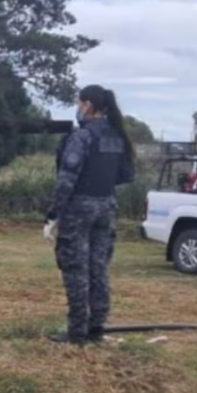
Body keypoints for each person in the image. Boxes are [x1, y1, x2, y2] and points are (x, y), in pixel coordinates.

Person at [45, 84, 136, 345]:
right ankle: (96, 326)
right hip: (106, 206)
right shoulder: (117, 137)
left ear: (87, 104)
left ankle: (76, 331)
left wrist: (52, 214)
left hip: (79, 209)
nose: (77, 108)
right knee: (99, 267)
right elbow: (127, 175)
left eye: (78, 103)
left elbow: (66, 180)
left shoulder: (82, 137)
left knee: (76, 268)